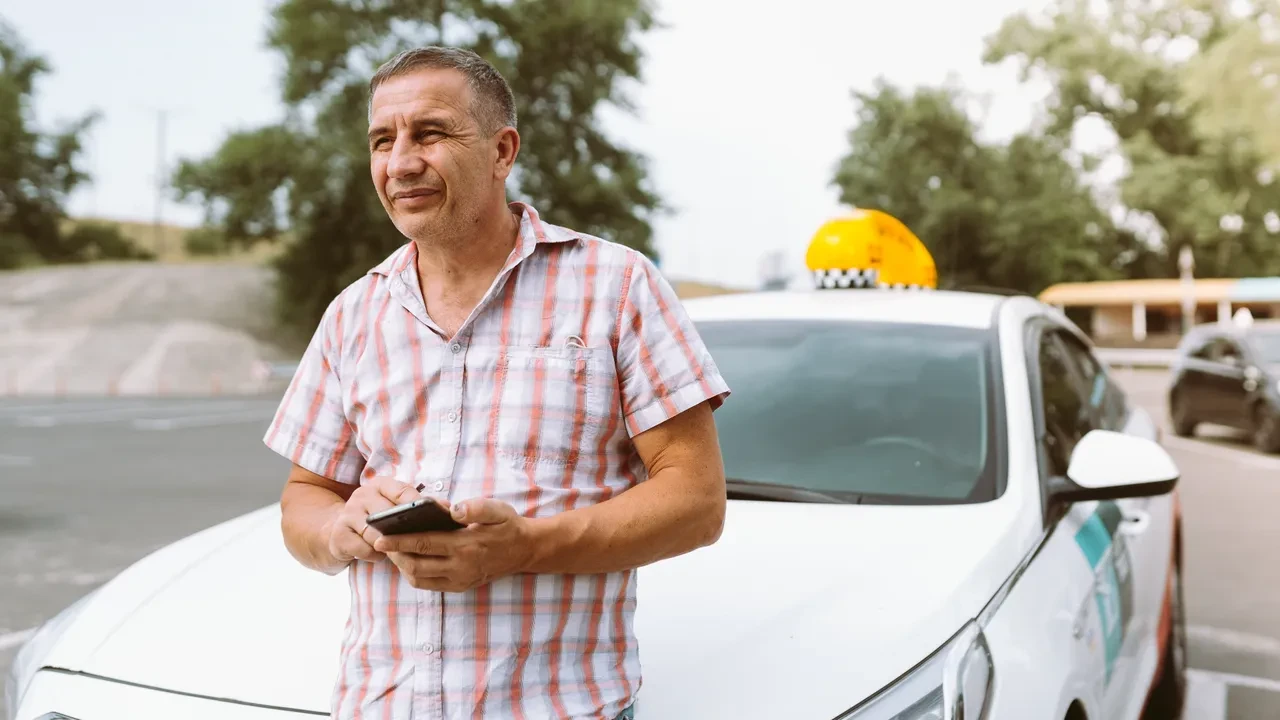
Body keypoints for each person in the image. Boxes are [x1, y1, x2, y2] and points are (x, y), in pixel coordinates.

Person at [265, 46, 731, 720]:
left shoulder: (618, 286)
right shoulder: (353, 314)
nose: (400, 163)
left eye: (430, 132)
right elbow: (302, 501)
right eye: (382, 140)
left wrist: (526, 548)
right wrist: (343, 526)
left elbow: (696, 501)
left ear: (502, 151)